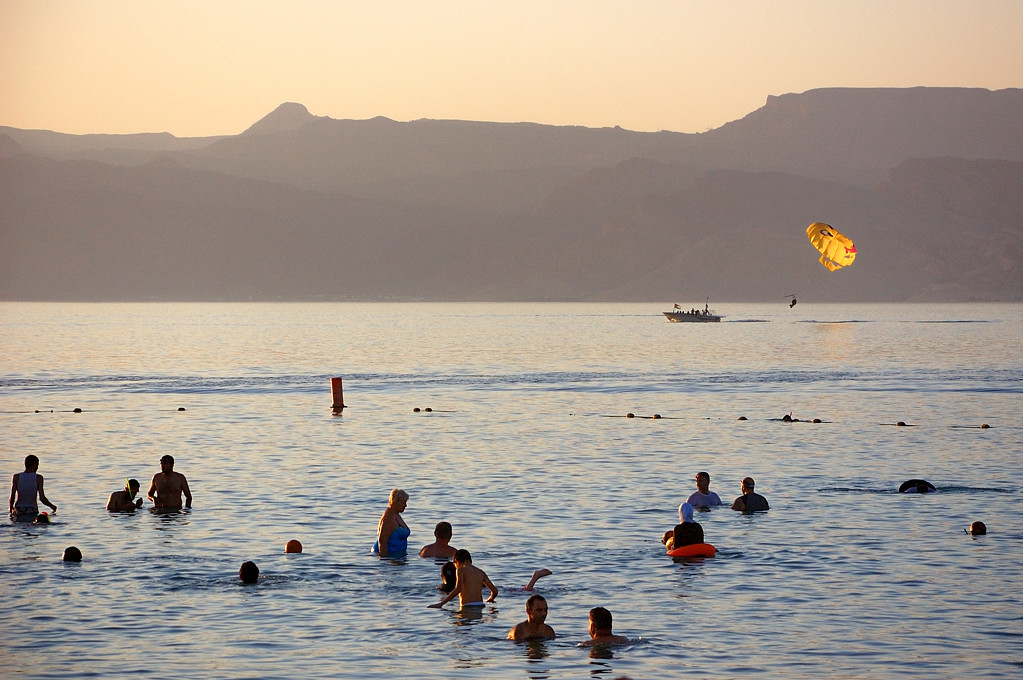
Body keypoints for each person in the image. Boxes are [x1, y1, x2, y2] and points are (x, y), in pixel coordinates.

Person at [428, 549, 497, 608]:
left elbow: (458, 589)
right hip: (480, 605)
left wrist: (441, 604)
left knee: (455, 622)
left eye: (455, 564)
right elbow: (494, 591)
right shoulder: (480, 572)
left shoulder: (460, 570)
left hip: (467, 606)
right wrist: (490, 599)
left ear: (456, 561)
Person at [9, 454, 57, 520]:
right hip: (32, 510)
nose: (37, 467)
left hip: (19, 509)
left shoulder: (16, 477)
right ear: (34, 465)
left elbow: (12, 497)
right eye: (37, 465)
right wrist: (52, 506)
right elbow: (42, 498)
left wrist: (11, 509)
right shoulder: (38, 478)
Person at [374, 488, 410, 556]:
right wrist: (384, 558)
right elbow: (382, 541)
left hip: (397, 555)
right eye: (403, 503)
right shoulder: (389, 517)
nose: (405, 505)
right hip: (389, 556)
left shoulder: (395, 514)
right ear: (395, 502)